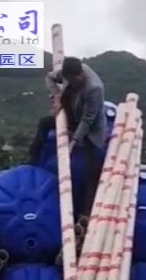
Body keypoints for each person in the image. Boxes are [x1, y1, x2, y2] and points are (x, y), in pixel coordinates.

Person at [28, 57, 107, 215]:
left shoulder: (94, 88)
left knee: (90, 171)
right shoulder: (66, 75)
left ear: (81, 74)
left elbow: (87, 120)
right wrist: (56, 97)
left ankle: (85, 213)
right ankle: (31, 161)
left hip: (90, 129)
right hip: (71, 114)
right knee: (44, 123)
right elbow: (49, 77)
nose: (73, 82)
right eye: (70, 80)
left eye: (75, 80)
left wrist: (74, 142)